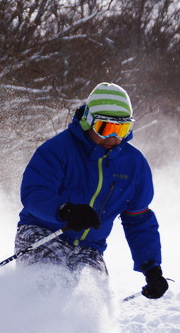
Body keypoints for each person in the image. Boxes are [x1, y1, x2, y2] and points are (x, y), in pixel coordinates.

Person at [15, 82, 168, 299]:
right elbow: (34, 192)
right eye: (105, 128)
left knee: (92, 297)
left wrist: (151, 269)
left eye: (121, 129)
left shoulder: (134, 164)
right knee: (50, 284)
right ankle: (24, 325)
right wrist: (65, 210)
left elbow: (139, 219)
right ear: (88, 122)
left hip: (90, 247)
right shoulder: (59, 149)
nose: (113, 138)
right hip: (44, 231)